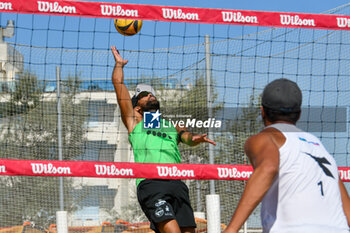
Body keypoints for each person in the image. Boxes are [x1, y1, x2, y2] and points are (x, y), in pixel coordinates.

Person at [110, 46, 216, 233]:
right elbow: (119, 85)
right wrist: (119, 65)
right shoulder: (135, 123)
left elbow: (186, 137)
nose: (150, 95)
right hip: (151, 183)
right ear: (136, 108)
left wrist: (196, 138)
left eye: (151, 94)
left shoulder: (169, 125)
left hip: (177, 183)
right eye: (143, 96)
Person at [223, 78, 350, 233]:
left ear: (262, 111)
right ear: (299, 114)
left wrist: (231, 229)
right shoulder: (319, 147)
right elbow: (347, 213)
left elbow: (269, 168)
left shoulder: (264, 138)